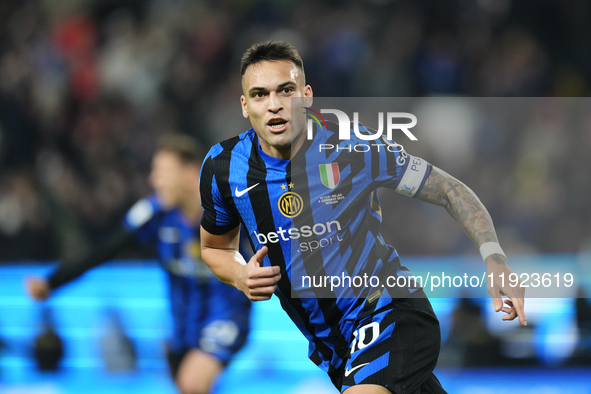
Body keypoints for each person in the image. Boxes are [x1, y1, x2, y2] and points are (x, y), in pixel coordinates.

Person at [199, 41, 526, 394]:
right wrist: (240, 274)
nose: (275, 104)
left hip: (390, 310)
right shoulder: (223, 168)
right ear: (245, 106)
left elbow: (448, 190)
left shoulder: (353, 145)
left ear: (307, 95)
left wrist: (495, 258)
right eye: (260, 95)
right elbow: (214, 247)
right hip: (334, 346)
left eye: (286, 91)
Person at [26, 134, 251, 394]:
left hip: (227, 316)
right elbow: (105, 249)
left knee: (193, 383)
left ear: (190, 174)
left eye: (163, 172)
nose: (154, 180)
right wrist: (52, 282)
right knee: (187, 385)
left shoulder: (230, 209)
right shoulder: (154, 214)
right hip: (180, 329)